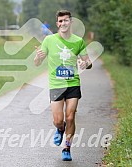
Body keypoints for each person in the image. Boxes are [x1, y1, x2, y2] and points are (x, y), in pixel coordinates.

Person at [34, 10, 92, 161]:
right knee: (59, 120)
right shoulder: (49, 40)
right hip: (56, 85)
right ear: (57, 24)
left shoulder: (78, 41)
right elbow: (37, 62)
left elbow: (88, 62)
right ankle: (60, 128)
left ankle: (67, 147)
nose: (63, 23)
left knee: (71, 116)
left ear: (70, 22)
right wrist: (38, 58)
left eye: (66, 20)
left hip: (73, 83)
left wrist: (84, 63)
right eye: (60, 21)